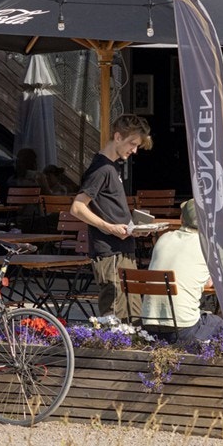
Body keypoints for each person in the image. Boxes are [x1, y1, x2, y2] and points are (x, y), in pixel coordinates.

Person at [70, 115, 152, 318]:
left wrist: (136, 228)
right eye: (132, 144)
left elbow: (110, 209)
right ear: (117, 137)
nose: (134, 150)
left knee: (133, 314)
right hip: (110, 251)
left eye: (137, 146)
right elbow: (77, 208)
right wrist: (109, 227)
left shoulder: (112, 167)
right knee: (116, 314)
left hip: (122, 248)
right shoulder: (102, 169)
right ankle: (112, 349)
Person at [143, 199, 223, 344]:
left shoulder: (163, 238)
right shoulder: (209, 246)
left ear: (181, 219)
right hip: (184, 329)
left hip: (149, 326)